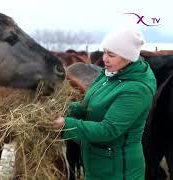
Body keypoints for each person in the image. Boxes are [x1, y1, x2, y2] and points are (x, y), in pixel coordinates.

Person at [46, 28, 157, 179]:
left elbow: (108, 130)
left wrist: (65, 124)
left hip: (119, 170)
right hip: (98, 164)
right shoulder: (107, 75)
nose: (104, 59)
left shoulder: (136, 89)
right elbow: (87, 107)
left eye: (111, 55)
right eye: (104, 52)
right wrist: (64, 108)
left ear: (128, 57)